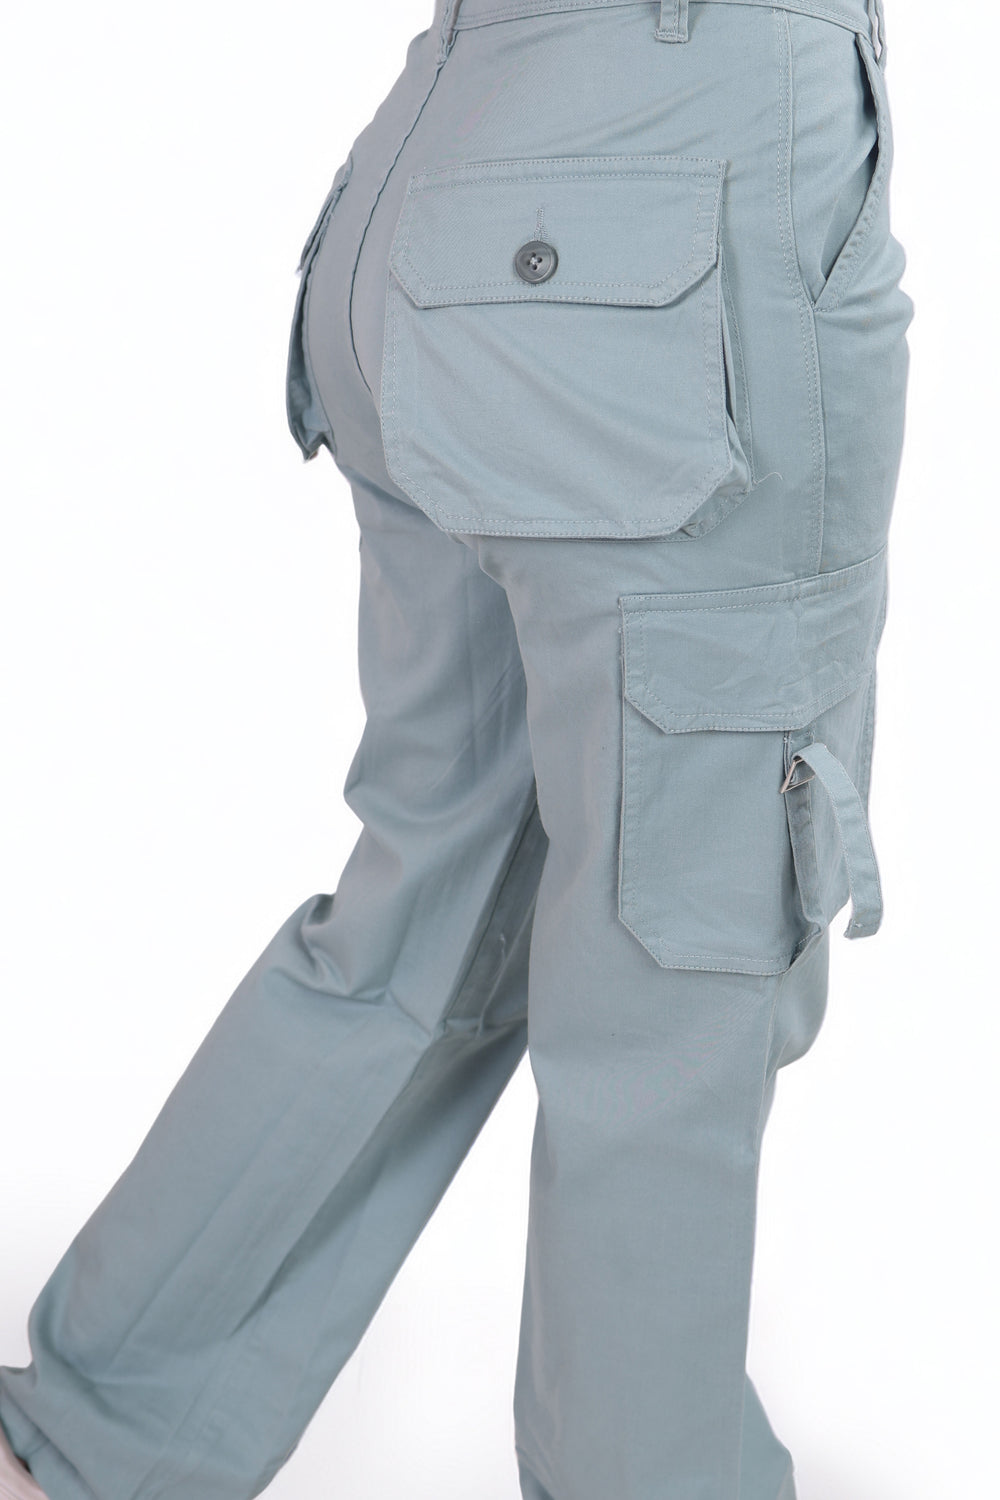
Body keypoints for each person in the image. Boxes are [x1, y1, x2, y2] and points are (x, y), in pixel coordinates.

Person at [0, 1, 912, 1497]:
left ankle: (98, 1435)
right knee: (679, 957)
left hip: (438, 181)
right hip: (666, 212)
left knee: (433, 901)